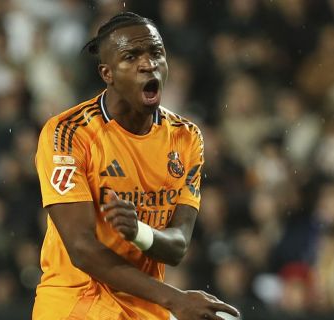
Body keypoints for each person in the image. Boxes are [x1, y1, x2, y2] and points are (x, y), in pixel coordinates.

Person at [33, 12, 240, 320]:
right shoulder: (68, 132)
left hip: (145, 309)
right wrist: (175, 299)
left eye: (156, 53)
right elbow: (81, 248)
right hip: (76, 304)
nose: (148, 63)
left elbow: (178, 246)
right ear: (108, 73)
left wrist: (138, 232)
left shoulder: (185, 137)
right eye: (131, 56)